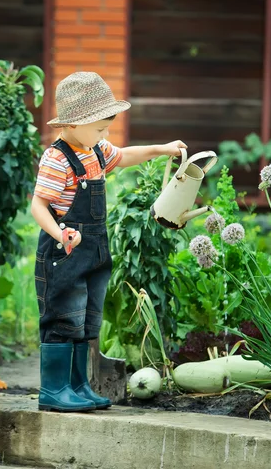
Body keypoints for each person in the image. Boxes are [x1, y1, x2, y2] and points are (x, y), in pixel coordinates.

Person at [31, 72, 187, 412]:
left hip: (94, 252)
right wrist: (60, 233)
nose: (106, 135)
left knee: (87, 319)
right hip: (65, 252)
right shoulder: (57, 159)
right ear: (72, 125)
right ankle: (54, 390)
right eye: (100, 128)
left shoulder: (95, 150)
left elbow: (125, 156)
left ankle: (78, 385)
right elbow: (38, 205)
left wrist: (162, 150)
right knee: (63, 317)